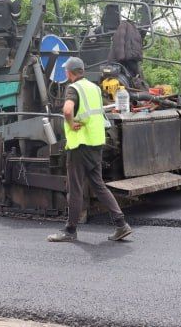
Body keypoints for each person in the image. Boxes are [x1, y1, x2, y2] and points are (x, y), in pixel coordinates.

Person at [48, 57, 133, 242]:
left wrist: (71, 123)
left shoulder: (73, 89)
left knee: (75, 188)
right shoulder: (94, 87)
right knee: (98, 185)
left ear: (70, 72)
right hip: (96, 143)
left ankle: (70, 230)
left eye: (66, 71)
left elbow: (68, 110)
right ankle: (121, 224)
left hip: (80, 146)